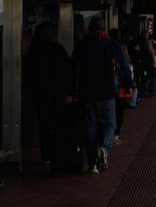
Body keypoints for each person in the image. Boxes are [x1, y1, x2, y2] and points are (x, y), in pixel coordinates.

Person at [73, 17, 134, 172]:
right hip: (107, 92)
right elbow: (124, 66)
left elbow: (73, 69)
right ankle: (105, 148)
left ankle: (93, 163)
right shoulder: (113, 45)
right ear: (104, 30)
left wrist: (71, 91)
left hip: (86, 93)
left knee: (90, 128)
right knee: (109, 125)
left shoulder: (82, 45)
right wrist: (128, 85)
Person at [27, 23, 73, 165]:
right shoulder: (57, 49)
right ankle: (59, 153)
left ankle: (46, 154)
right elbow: (68, 71)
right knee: (59, 123)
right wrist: (69, 92)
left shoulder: (33, 52)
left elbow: (29, 74)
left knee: (44, 125)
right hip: (58, 94)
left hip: (40, 94)